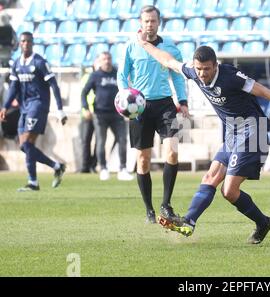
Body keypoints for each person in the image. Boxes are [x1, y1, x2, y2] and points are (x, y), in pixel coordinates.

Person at [135, 37, 270, 243]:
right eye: (199, 69)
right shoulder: (194, 72)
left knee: (228, 190)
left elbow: (263, 91)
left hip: (253, 130)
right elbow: (168, 62)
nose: (202, 74)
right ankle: (189, 222)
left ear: (215, 65)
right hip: (233, 132)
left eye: (207, 69)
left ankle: (262, 222)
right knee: (210, 178)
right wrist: (146, 45)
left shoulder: (231, 76)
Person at [117, 5, 190, 223]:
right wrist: (124, 98)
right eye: (146, 21)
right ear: (141, 23)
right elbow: (122, 75)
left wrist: (182, 100)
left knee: (173, 152)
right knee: (143, 160)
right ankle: (149, 209)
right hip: (139, 107)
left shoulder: (170, 47)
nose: (150, 24)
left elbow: (177, 75)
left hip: (165, 105)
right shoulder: (131, 47)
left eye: (153, 21)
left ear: (159, 22)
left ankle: (166, 205)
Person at [0, 31, 67, 191]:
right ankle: (53, 169)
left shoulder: (39, 62)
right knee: (24, 146)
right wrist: (5, 106)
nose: (26, 44)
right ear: (20, 44)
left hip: (38, 106)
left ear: (32, 43)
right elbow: (14, 88)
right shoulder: (16, 64)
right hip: (24, 108)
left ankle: (34, 181)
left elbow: (54, 85)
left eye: (29, 41)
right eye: (23, 41)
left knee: (28, 142)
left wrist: (59, 109)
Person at [82, 51, 133, 181]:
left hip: (117, 114)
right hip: (100, 115)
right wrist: (86, 109)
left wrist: (129, 110)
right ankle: (103, 168)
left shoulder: (118, 73)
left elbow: (127, 91)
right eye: (104, 59)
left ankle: (123, 169)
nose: (107, 61)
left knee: (123, 140)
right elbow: (84, 93)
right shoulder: (95, 75)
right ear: (100, 61)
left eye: (109, 58)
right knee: (101, 141)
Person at [79, 59, 99, 173]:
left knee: (99, 141)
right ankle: (84, 166)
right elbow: (82, 95)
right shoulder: (87, 77)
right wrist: (85, 110)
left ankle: (93, 165)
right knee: (85, 140)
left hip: (99, 113)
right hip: (87, 114)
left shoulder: (104, 77)